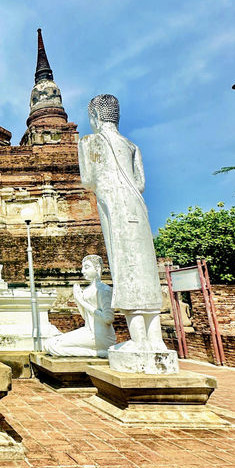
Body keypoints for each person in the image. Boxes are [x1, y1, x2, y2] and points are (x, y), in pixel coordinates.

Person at [78, 93, 165, 351]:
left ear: (93, 116)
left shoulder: (89, 141)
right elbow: (140, 183)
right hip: (137, 205)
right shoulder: (132, 146)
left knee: (124, 268)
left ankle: (139, 342)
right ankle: (157, 341)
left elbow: (88, 180)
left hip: (114, 206)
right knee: (145, 268)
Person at [45, 255, 115, 357]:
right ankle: (98, 353)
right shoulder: (86, 290)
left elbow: (108, 319)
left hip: (101, 335)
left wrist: (82, 302)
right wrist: (78, 300)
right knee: (49, 344)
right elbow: (85, 317)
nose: (83, 271)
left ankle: (98, 353)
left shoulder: (103, 289)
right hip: (88, 331)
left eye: (86, 267)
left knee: (54, 347)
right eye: (82, 268)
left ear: (98, 268)